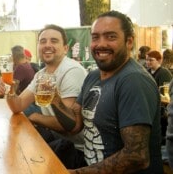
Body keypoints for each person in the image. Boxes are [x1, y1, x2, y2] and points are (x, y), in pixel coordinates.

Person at [50, 10, 163, 173]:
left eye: (111, 37)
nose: (101, 44)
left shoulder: (133, 81)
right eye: (95, 37)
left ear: (129, 42)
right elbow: (75, 124)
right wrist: (53, 97)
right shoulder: (93, 76)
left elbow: (136, 156)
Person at [1, 25, 88, 169]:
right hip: (60, 140)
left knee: (20, 164)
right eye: (43, 41)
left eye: (54, 41)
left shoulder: (71, 71)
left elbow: (68, 126)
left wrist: (35, 117)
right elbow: (19, 105)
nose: (47, 45)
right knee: (11, 156)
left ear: (65, 48)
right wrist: (9, 90)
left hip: (77, 151)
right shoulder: (41, 74)